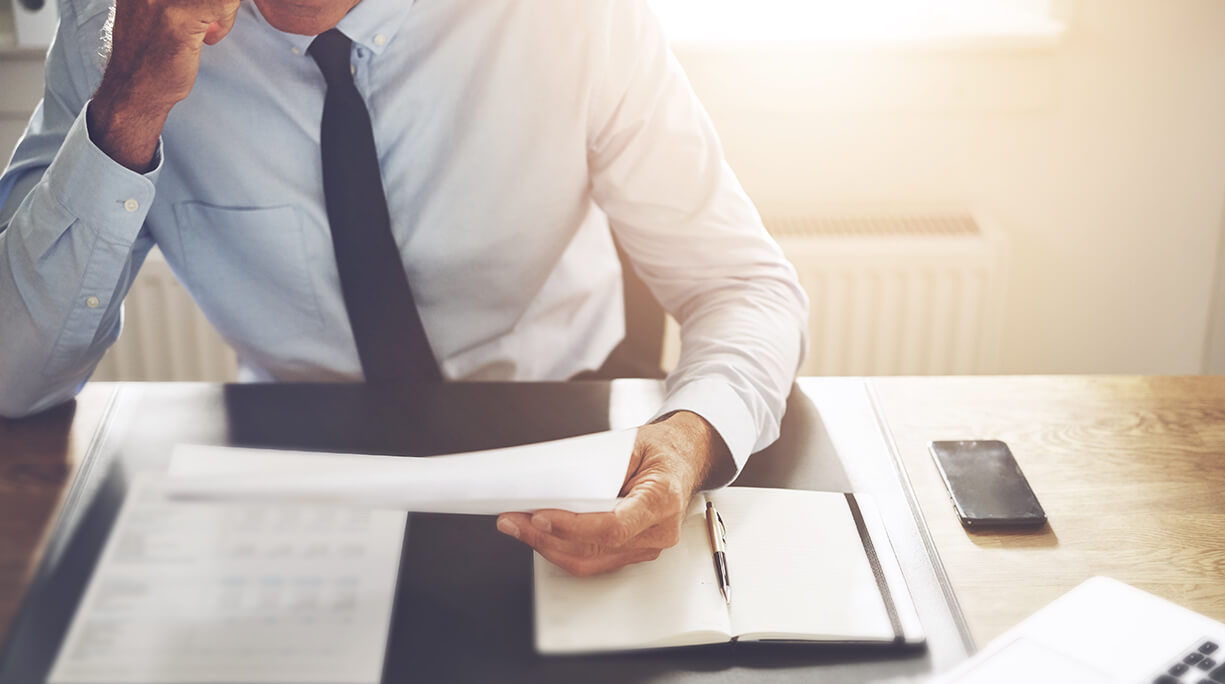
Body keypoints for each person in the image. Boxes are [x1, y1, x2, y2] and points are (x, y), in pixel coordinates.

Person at [0, 0, 808, 576]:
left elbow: (743, 285)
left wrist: (686, 440)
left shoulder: (572, 17)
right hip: (297, 476)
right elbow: (11, 375)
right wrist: (127, 108)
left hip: (564, 443)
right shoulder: (112, 30)